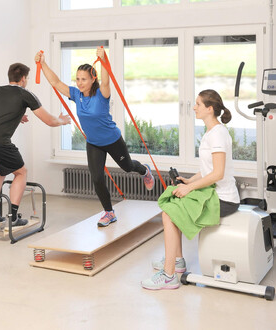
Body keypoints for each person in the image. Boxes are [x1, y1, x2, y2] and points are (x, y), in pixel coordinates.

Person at [35, 47, 155, 227]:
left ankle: (144, 170)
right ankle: (109, 212)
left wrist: (104, 59)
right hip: (93, 144)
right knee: (97, 178)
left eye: (84, 79)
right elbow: (56, 82)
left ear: (93, 79)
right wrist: (42, 63)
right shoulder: (76, 95)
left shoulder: (102, 94)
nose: (80, 82)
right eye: (77, 79)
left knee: (127, 167)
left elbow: (106, 81)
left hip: (113, 140)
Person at [141, 89, 240, 290]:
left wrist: (190, 189)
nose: (194, 107)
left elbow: (218, 173)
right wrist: (188, 181)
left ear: (209, 109)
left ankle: (169, 275)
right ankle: (177, 262)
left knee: (169, 213)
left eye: (198, 104)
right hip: (213, 192)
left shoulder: (218, 135)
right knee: (170, 203)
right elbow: (208, 170)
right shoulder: (212, 132)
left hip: (223, 199)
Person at [0, 63, 71, 228]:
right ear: (23, 79)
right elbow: (49, 121)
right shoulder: (25, 94)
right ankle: (14, 217)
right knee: (21, 172)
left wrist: (18, 116)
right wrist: (62, 121)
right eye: (28, 78)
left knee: (0, 171)